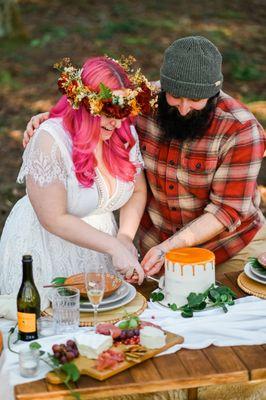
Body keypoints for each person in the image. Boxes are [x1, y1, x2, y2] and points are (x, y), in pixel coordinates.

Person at [23, 36, 266, 278]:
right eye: (175, 96)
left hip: (231, 248)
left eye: (195, 100)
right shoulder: (142, 101)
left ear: (213, 94)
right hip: (155, 251)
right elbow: (96, 110)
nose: (183, 108)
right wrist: (55, 118)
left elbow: (226, 210)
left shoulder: (241, 130)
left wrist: (168, 248)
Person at [0, 55, 157, 311]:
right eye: (107, 113)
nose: (116, 122)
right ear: (84, 107)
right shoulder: (50, 140)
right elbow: (53, 218)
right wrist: (113, 246)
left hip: (101, 248)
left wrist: (125, 238)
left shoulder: (122, 133)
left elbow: (138, 189)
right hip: (47, 246)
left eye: (122, 112)